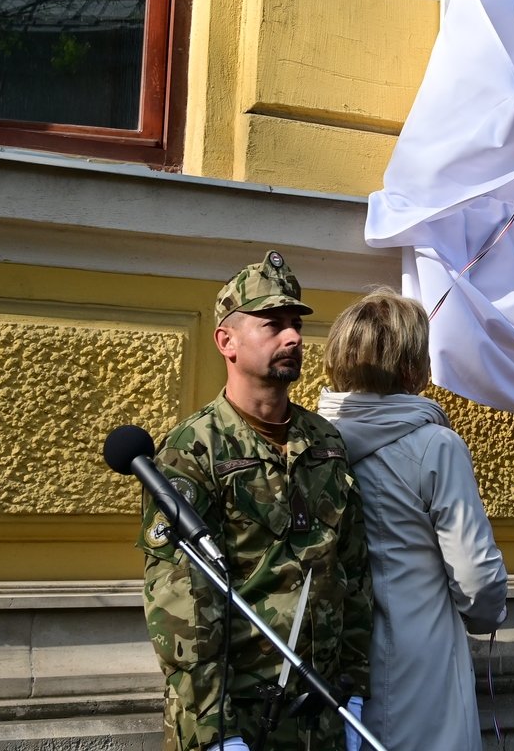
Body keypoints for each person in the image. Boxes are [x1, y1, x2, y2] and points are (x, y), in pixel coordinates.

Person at [139, 252, 372, 751]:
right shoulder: (193, 450)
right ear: (226, 341)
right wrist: (215, 732)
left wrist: (354, 689)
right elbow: (182, 603)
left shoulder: (325, 444)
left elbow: (351, 572)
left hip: (320, 713)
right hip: (238, 718)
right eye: (272, 324)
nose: (292, 337)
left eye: (294, 324)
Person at [316, 288, 509, 751]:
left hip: (333, 655)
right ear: (411, 367)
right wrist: (488, 616)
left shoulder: (315, 443)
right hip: (420, 658)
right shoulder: (435, 446)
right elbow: (476, 576)